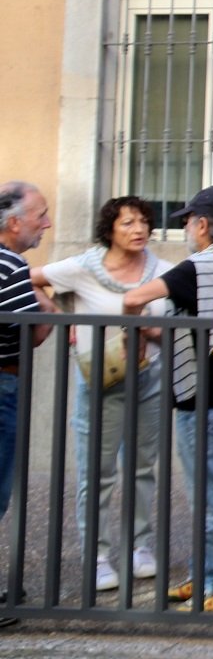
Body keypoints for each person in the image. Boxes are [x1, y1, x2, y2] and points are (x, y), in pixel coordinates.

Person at [121, 185, 213, 613]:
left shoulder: (197, 266)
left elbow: (133, 297)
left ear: (201, 225)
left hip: (200, 397)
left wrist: (133, 334)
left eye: (187, 222)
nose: (185, 230)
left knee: (212, 496)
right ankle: (205, 576)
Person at [34, 195, 170, 591]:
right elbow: (29, 277)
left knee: (143, 467)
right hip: (100, 381)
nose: (139, 229)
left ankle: (140, 547)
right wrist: (62, 316)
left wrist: (150, 331)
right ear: (109, 228)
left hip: (150, 378)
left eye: (144, 221)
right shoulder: (84, 267)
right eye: (128, 223)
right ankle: (96, 556)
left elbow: (174, 326)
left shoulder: (163, 271)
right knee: (97, 471)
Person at [0, 184, 53, 520]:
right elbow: (33, 336)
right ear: (14, 223)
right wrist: (49, 309)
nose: (47, 223)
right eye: (41, 215)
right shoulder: (12, 265)